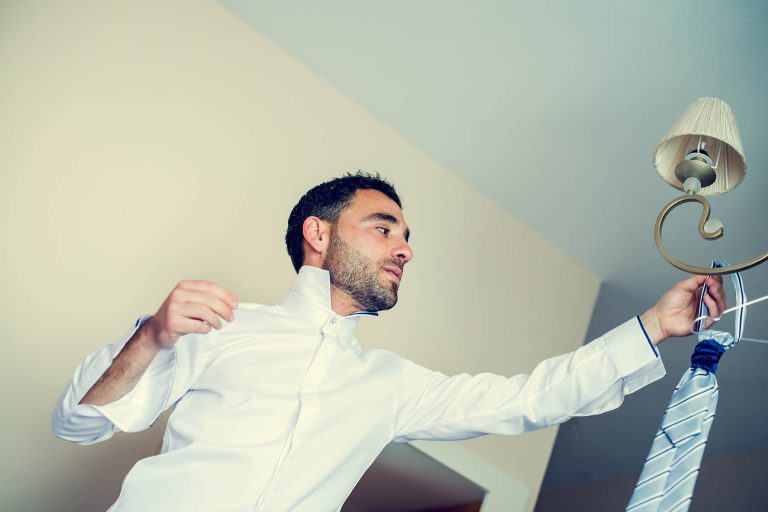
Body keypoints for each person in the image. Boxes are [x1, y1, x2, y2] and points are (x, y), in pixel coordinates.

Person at [53, 172, 725, 511]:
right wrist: (152, 335)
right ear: (319, 234)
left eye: (406, 238)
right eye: (384, 228)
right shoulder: (215, 327)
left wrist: (651, 329)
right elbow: (78, 422)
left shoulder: (392, 386)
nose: (405, 249)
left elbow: (530, 398)